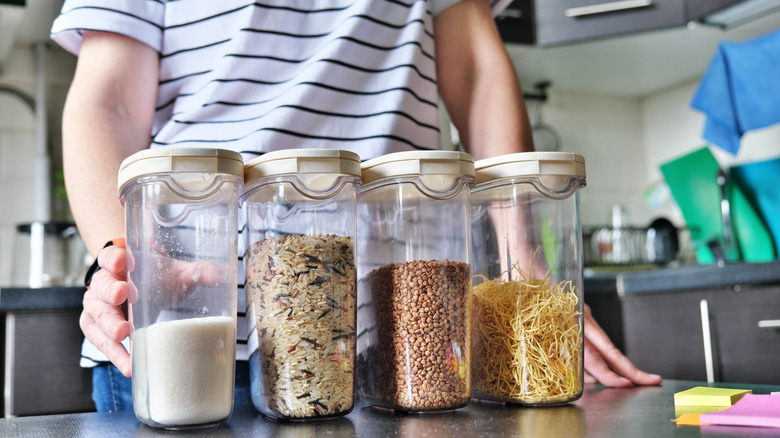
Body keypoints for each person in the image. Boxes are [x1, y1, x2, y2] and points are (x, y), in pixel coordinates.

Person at [52, 0, 660, 412]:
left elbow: (475, 67)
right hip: (192, 333)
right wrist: (128, 262)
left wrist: (522, 280)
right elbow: (104, 102)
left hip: (405, 340)